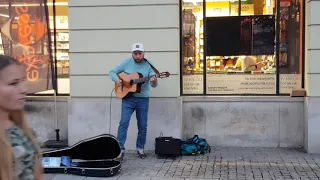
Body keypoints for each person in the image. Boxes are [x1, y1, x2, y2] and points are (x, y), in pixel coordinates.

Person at [109, 43, 158, 161]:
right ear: (132, 54)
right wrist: (118, 80)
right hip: (128, 99)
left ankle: (140, 148)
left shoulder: (148, 65)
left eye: (139, 53)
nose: (137, 56)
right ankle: (120, 150)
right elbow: (112, 72)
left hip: (143, 99)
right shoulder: (126, 63)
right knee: (123, 124)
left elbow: (154, 85)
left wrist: (154, 80)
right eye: (135, 54)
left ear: (144, 53)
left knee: (142, 126)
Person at [0, 55, 43, 180]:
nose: (24, 89)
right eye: (13, 83)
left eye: (23, 81)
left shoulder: (24, 130)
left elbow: (37, 175)